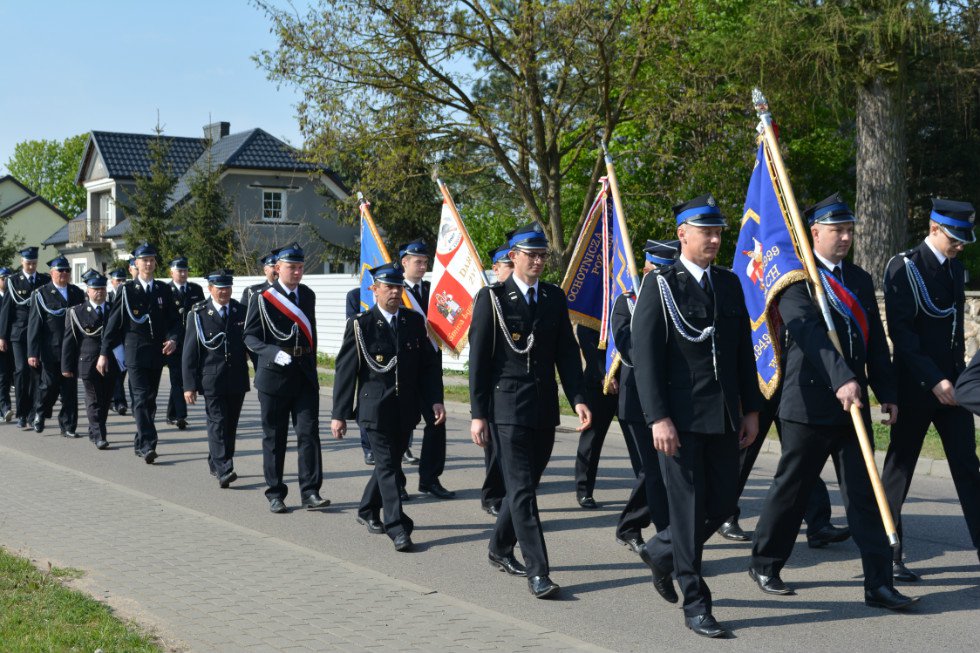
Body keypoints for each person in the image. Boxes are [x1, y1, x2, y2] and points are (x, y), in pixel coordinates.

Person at [748, 193, 918, 612]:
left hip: (853, 407)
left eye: (849, 230)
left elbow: (874, 342)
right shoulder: (795, 279)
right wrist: (841, 378)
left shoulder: (858, 279)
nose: (845, 238)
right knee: (792, 490)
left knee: (864, 494)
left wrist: (888, 393)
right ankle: (766, 563)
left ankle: (878, 583)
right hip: (807, 406)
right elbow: (806, 331)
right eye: (836, 230)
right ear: (814, 234)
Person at [631, 194, 761, 638]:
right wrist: (658, 419)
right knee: (687, 513)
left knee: (723, 503)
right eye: (706, 231)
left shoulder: (728, 283)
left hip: (723, 416)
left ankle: (661, 552)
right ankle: (696, 602)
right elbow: (646, 359)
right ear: (683, 234)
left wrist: (751, 410)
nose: (715, 238)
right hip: (679, 422)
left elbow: (743, 352)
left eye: (719, 230)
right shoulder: (660, 285)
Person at [469, 221, 591, 599]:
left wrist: (578, 398)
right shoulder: (492, 298)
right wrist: (477, 413)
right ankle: (539, 571)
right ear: (513, 257)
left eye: (542, 255)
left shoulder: (554, 297)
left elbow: (567, 355)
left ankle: (499, 546)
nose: (538, 261)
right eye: (531, 255)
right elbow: (479, 360)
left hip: (543, 406)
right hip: (506, 406)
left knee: (527, 485)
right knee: (522, 489)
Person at [882, 198, 980, 578]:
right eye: (954, 239)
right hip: (915, 385)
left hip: (951, 387)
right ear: (934, 228)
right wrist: (932, 379)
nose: (959, 247)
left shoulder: (955, 270)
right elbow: (902, 334)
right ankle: (889, 553)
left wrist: (955, 379)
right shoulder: (904, 267)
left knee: (968, 469)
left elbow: (954, 334)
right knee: (899, 469)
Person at [332, 262, 445, 551]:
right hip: (374, 410)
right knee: (388, 467)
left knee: (390, 464)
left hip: (404, 408)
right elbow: (346, 371)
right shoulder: (361, 325)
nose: (395, 292)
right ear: (374, 289)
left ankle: (367, 509)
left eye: (398, 287)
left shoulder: (413, 322)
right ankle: (397, 526)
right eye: (389, 287)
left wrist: (435, 399)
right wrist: (339, 415)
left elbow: (427, 367)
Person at [243, 242, 329, 513]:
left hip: (303, 374)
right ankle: (275, 492)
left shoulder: (308, 295)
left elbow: (310, 334)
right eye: (292, 267)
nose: (297, 272)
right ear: (278, 268)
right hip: (274, 376)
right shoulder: (262, 297)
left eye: (301, 267)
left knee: (308, 433)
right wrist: (270, 353)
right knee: (275, 436)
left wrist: (313, 369)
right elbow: (249, 336)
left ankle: (311, 491)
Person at [612, 240, 675, 554]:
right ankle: (666, 538)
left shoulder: (677, 301)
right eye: (658, 270)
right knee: (653, 471)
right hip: (636, 402)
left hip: (670, 401)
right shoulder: (628, 302)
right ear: (647, 269)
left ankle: (629, 525)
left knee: (661, 472)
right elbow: (629, 347)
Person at [98, 243, 181, 464]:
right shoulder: (126, 291)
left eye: (152, 259)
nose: (148, 263)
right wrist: (104, 353)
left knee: (150, 400)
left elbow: (174, 321)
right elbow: (113, 325)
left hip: (157, 353)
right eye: (144, 260)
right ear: (136, 263)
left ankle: (140, 440)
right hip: (134, 353)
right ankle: (148, 444)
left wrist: (173, 339)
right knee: (141, 398)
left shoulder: (163, 290)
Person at [183, 271, 249, 488]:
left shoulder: (241, 311)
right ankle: (224, 467)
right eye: (219, 288)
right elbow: (190, 352)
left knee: (230, 425)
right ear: (210, 288)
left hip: (237, 378)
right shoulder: (199, 313)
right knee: (217, 423)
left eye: (227, 287)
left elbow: (251, 345)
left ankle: (216, 459)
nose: (224, 292)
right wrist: (189, 385)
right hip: (212, 379)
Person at [399, 239, 453, 496]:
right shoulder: (395, 292)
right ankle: (395, 484)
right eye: (418, 262)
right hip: (403, 370)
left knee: (437, 422)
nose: (423, 266)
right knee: (400, 427)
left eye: (425, 262)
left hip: (430, 368)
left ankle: (430, 479)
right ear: (404, 263)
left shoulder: (434, 291)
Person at [27, 256, 86, 435]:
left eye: (67, 270)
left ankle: (68, 426)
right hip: (50, 349)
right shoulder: (42, 293)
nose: (65, 273)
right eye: (61, 270)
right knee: (49, 386)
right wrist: (32, 352)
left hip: (71, 349)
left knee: (70, 390)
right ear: (52, 272)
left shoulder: (76, 292)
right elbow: (34, 325)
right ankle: (39, 412)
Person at [62, 270, 117, 449]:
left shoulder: (113, 309)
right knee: (93, 399)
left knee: (105, 400)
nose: (99, 292)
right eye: (95, 289)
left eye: (102, 288)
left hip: (111, 361)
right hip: (88, 362)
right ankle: (100, 434)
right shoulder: (76, 312)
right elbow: (69, 341)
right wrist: (66, 366)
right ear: (88, 291)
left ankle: (94, 431)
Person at [479, 243, 514, 517]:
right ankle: (492, 495)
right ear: (496, 269)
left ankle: (508, 491)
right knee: (494, 446)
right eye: (508, 266)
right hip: (493, 386)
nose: (512, 271)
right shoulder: (488, 298)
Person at [0, 246, 50, 428]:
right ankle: (21, 412)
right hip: (19, 334)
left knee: (36, 374)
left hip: (38, 335)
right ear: (22, 262)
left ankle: (33, 412)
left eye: (34, 263)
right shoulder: (13, 281)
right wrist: (2, 337)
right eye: (28, 263)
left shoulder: (44, 280)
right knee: (21, 371)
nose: (31, 266)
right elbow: (6, 311)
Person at [165, 257, 205, 429]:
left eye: (185, 270)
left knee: (183, 377)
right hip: (173, 342)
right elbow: (162, 318)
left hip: (191, 340)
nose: (183, 273)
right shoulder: (165, 290)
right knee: (177, 378)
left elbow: (202, 311)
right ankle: (181, 415)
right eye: (179, 270)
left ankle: (171, 414)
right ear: (171, 272)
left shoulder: (195, 289)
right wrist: (168, 338)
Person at [241, 252, 279, 372]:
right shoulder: (253, 292)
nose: (277, 270)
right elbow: (243, 321)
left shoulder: (293, 292)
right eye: (273, 267)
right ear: (265, 270)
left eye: (279, 266)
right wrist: (245, 348)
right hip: (262, 348)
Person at [107, 267, 130, 415]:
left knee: (122, 371)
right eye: (118, 280)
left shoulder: (129, 296)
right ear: (112, 282)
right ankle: (119, 401)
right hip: (111, 340)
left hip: (125, 339)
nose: (121, 283)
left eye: (123, 280)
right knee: (115, 371)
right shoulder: (108, 296)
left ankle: (112, 398)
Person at [0, 267, 14, 421]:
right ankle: (5, 407)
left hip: (14, 341)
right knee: (3, 377)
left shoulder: (15, 296)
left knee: (13, 376)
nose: (6, 281)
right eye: (3, 278)